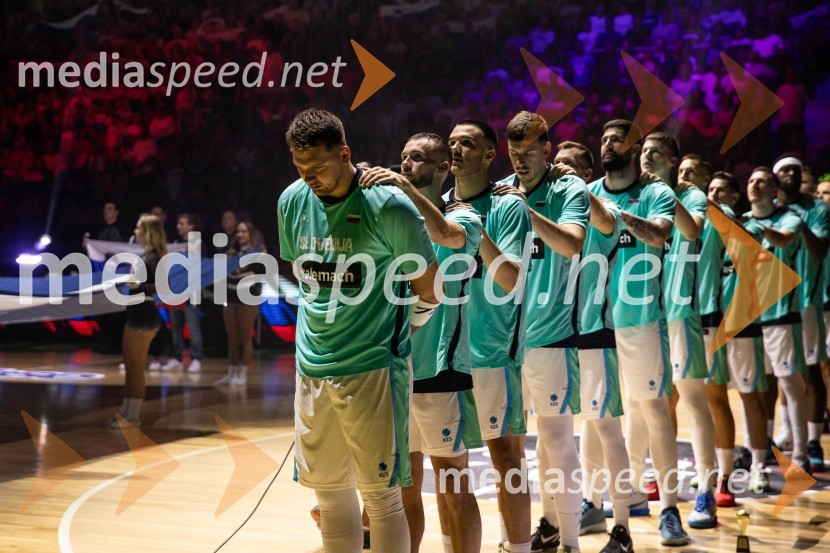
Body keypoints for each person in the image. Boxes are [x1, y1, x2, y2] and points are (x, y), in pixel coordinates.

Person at [278, 108, 440, 553]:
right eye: (300, 166)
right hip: (312, 368)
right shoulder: (291, 201)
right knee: (330, 495)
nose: (308, 176)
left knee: (381, 498)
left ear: (345, 154)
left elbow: (430, 289)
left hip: (374, 369)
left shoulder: (388, 206)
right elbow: (302, 273)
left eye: (317, 166)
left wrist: (403, 332)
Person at [359, 132, 484, 553]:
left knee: (454, 487)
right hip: (394, 366)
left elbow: (446, 234)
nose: (405, 164)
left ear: (443, 167)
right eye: (402, 157)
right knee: (403, 489)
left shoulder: (465, 215)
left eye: (416, 158)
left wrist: (403, 188)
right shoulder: (392, 216)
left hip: (440, 369)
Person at [493, 112, 590, 553]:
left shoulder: (567, 188)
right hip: (504, 340)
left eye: (528, 153)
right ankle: (519, 537)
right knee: (509, 448)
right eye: (513, 153)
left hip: (551, 335)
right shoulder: (501, 191)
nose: (520, 161)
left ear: (547, 149)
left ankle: (570, 543)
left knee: (556, 439)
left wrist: (523, 210)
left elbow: (571, 244)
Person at [592, 120, 689, 546]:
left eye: (617, 139)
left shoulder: (656, 193)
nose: (607, 145)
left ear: (634, 149)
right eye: (604, 139)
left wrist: (614, 214)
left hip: (642, 319)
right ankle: (597, 502)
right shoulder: (588, 192)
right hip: (593, 324)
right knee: (596, 419)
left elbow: (660, 232)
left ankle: (669, 509)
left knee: (654, 411)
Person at [444, 120, 533, 553]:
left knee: (507, 459)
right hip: (444, 354)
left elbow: (511, 280)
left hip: (493, 351)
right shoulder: (438, 205)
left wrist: (472, 232)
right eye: (451, 142)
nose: (456, 148)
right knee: (448, 466)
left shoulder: (508, 206)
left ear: (489, 154)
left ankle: (518, 548)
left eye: (467, 142)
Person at [554, 140, 635, 553]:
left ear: (588, 175)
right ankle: (575, 513)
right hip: (554, 338)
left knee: (607, 429)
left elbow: (603, 218)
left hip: (594, 336)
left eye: (569, 166)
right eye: (556, 164)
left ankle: (622, 528)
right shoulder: (550, 213)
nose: (559, 170)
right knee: (563, 434)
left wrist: (575, 188)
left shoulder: (605, 209)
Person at [643, 135, 719, 529]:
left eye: (655, 152)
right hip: (642, 315)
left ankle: (706, 490)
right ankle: (648, 487)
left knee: (693, 400)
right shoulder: (638, 194)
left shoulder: (689, 196)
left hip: (680, 312)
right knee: (649, 407)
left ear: (671, 160)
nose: (646, 156)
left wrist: (665, 191)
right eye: (643, 151)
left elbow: (692, 230)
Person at [705, 173, 771, 495]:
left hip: (742, 323)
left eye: (721, 191)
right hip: (711, 321)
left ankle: (759, 466)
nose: (714, 195)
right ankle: (721, 471)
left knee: (750, 396)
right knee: (714, 399)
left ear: (734, 198)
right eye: (710, 190)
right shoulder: (703, 233)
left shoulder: (751, 228)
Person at [744, 166, 811, 472]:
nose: (755, 185)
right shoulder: (742, 220)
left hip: (782, 315)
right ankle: (762, 445)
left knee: (791, 385)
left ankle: (801, 454)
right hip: (748, 318)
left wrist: (760, 231)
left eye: (762, 182)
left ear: (774, 191)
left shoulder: (789, 218)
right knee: (757, 387)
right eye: (751, 181)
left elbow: (784, 240)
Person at [772, 155, 829, 472]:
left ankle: (813, 441)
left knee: (811, 371)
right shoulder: (769, 208)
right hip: (775, 302)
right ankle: (785, 435)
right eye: (784, 170)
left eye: (795, 170)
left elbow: (819, 250)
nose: (791, 174)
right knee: (781, 373)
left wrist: (796, 222)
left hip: (807, 301)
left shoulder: (817, 209)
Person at [109, 214, 166, 428]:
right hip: (135, 313)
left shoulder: (155, 257)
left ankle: (133, 416)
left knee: (136, 367)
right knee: (130, 366)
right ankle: (126, 412)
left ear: (148, 232)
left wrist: (138, 285)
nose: (135, 231)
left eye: (138, 228)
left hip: (144, 315)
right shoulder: (146, 255)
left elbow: (162, 286)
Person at [214, 220, 266, 386]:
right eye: (238, 231)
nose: (240, 234)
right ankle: (231, 373)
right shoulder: (232, 252)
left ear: (250, 233)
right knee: (232, 337)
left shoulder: (259, 252)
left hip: (248, 296)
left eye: (244, 231)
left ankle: (242, 373)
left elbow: (261, 275)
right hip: (230, 295)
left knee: (245, 337)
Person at [162, 213, 204, 373]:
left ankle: (196, 358)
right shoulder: (175, 244)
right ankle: (176, 358)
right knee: (175, 328)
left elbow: (200, 267)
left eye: (182, 223)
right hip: (175, 292)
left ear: (191, 226)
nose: (178, 226)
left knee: (193, 328)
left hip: (192, 292)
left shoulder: (199, 244)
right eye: (178, 223)